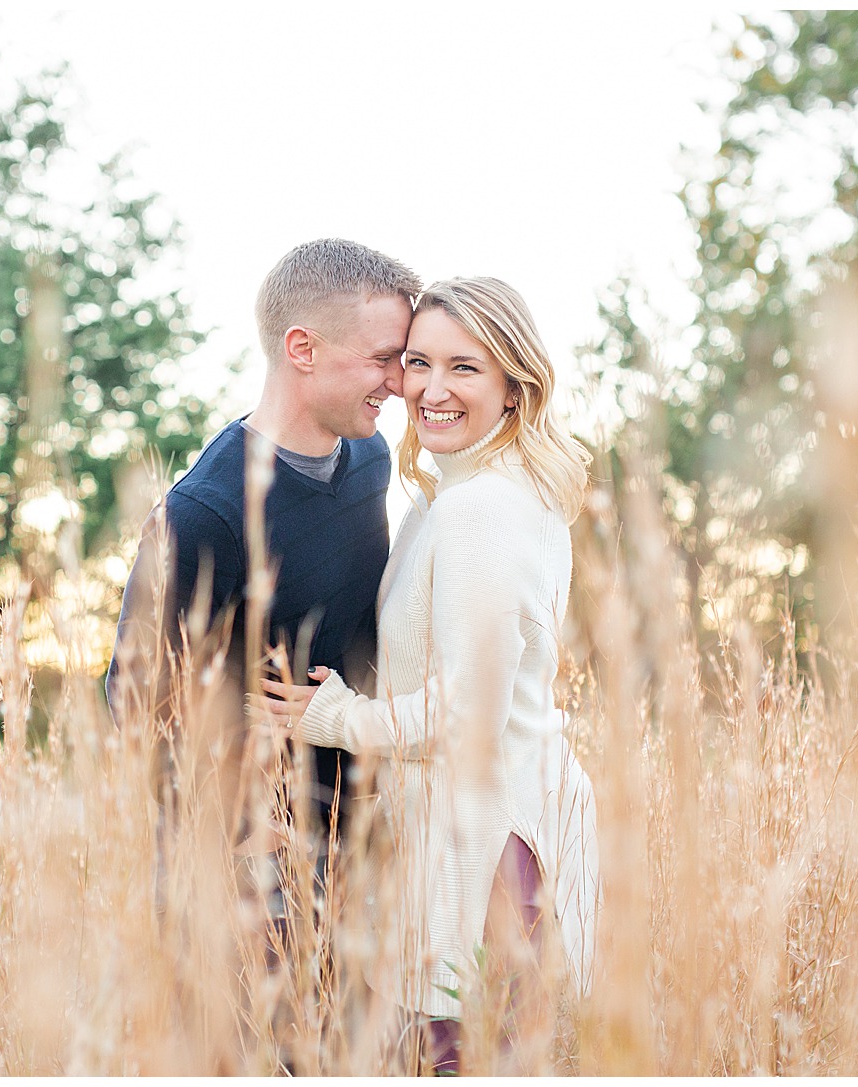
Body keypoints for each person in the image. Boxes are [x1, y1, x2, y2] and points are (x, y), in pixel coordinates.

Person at [259, 277, 600, 1074]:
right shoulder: (490, 489)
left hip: (486, 844)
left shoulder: (477, 508)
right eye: (418, 362)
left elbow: (466, 715)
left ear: (516, 385)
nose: (432, 390)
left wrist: (333, 717)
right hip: (506, 822)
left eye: (465, 368)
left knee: (462, 1060)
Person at [105, 237, 420, 861]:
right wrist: (237, 829)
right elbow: (135, 699)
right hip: (253, 875)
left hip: (363, 834)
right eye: (384, 358)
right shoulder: (202, 515)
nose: (400, 382)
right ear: (302, 348)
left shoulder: (369, 459)